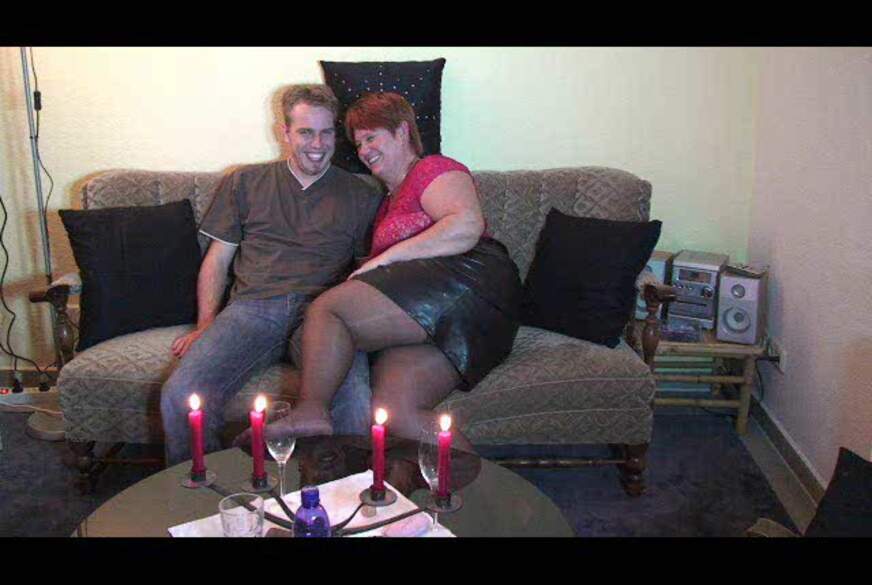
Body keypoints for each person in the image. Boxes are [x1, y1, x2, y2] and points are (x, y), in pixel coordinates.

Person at [249, 92, 522, 453]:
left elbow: (466, 225)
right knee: (395, 413)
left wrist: (384, 260)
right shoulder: (385, 203)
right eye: (359, 143)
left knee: (328, 309)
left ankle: (311, 411)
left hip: (470, 284)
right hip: (432, 316)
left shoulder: (432, 168)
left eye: (371, 137)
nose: (364, 150)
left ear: (402, 132)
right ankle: (476, 488)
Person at [159, 85, 383, 466]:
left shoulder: (361, 193)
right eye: (306, 132)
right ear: (285, 133)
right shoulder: (245, 182)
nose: (318, 144)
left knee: (354, 402)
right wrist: (205, 325)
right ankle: (202, 490)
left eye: (326, 132)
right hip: (253, 309)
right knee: (180, 394)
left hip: (323, 316)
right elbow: (217, 260)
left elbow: (367, 273)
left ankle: (342, 495)